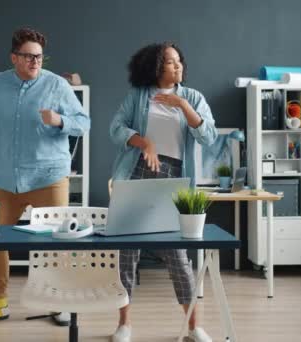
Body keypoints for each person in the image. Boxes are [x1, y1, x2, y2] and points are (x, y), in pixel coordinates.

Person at [0, 27, 90, 326]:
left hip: (49, 176)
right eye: (29, 56)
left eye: (39, 57)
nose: (35, 62)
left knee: (57, 242)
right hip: (4, 178)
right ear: (14, 57)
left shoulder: (57, 86)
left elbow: (83, 123)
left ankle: (58, 304)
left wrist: (60, 121)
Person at [109, 42, 218, 342]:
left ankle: (194, 328)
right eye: (170, 62)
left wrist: (183, 106)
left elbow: (208, 135)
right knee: (127, 254)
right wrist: (145, 143)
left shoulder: (193, 97)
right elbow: (115, 129)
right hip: (137, 172)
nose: (177, 66)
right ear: (156, 67)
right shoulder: (138, 96)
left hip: (175, 177)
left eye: (179, 61)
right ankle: (124, 324)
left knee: (178, 256)